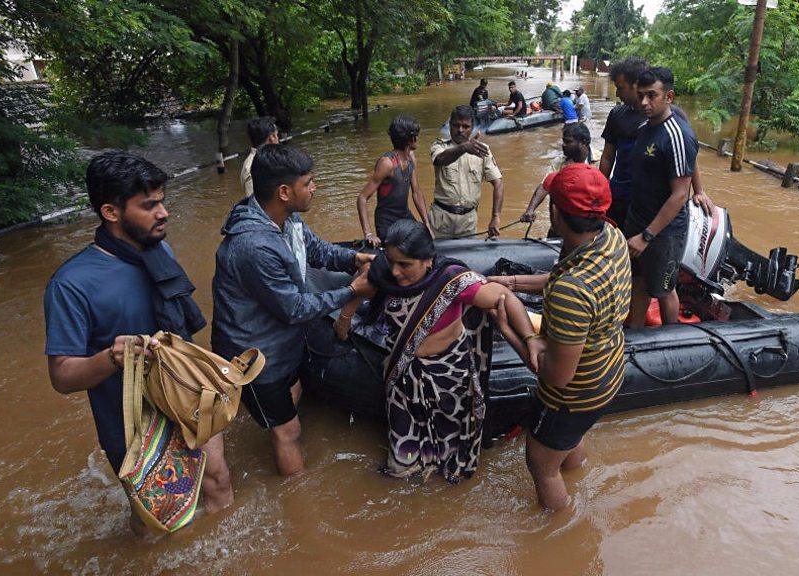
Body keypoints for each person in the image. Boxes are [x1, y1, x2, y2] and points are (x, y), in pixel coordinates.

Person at [44, 151, 234, 535]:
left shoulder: (158, 249)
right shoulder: (71, 285)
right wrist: (112, 358)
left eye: (162, 201)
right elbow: (62, 377)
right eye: (149, 205)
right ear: (111, 212)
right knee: (156, 523)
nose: (163, 212)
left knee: (218, 483)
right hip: (134, 425)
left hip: (187, 398)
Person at [211, 144, 375, 476]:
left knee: (291, 398)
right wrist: (351, 291)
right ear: (285, 191)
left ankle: (271, 417)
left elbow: (315, 250)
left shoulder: (287, 219)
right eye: (309, 183)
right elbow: (295, 307)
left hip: (280, 341)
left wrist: (354, 259)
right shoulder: (254, 246)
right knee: (289, 433)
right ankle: (296, 498)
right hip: (255, 355)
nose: (314, 188)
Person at [333, 219, 536, 483]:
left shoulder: (450, 282)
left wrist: (530, 338)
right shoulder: (383, 274)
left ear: (428, 260)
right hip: (402, 379)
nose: (395, 272)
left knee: (450, 442)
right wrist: (344, 320)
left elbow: (504, 298)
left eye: (405, 265)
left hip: (449, 378)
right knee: (402, 453)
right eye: (392, 261)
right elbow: (357, 292)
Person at [489, 161, 630, 511]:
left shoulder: (572, 290)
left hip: (574, 394)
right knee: (568, 440)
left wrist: (508, 329)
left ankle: (562, 530)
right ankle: (578, 475)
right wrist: (513, 283)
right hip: (609, 370)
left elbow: (556, 375)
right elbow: (561, 279)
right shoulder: (611, 237)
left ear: (556, 212)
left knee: (540, 462)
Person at [622, 67, 698, 329]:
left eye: (651, 96)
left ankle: (671, 339)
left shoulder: (677, 135)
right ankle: (635, 332)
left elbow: (679, 195)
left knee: (664, 289)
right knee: (638, 282)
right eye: (641, 95)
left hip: (664, 232)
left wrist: (647, 236)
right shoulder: (644, 129)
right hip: (637, 220)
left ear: (669, 97)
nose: (644, 102)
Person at [600, 57, 713, 228]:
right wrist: (600, 190)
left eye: (620, 88)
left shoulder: (670, 116)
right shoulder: (617, 115)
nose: (617, 94)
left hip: (652, 202)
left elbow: (687, 158)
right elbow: (608, 157)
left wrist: (699, 191)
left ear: (636, 84)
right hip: (620, 195)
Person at [430, 105, 505, 239]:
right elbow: (439, 159)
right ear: (450, 125)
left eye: (465, 126)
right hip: (440, 220)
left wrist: (496, 217)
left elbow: (498, 183)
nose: (460, 130)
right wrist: (464, 147)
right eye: (456, 125)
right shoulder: (440, 145)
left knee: (466, 260)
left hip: (468, 222)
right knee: (435, 259)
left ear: (472, 128)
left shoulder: (482, 150)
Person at [356, 116, 433, 246]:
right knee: (404, 250)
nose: (418, 139)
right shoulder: (387, 164)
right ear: (411, 139)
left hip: (404, 216)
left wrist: (427, 224)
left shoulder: (410, 159)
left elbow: (416, 192)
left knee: (425, 241)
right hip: (387, 221)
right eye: (417, 136)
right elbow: (362, 198)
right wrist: (368, 234)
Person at [519, 123, 592, 224]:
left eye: (568, 142)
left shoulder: (598, 162)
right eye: (563, 141)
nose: (563, 145)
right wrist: (530, 210)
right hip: (561, 223)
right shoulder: (559, 162)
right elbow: (544, 187)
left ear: (583, 143)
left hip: (587, 223)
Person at [240, 116, 280, 198]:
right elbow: (254, 204)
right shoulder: (253, 166)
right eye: (277, 135)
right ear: (272, 137)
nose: (278, 139)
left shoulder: (265, 160)